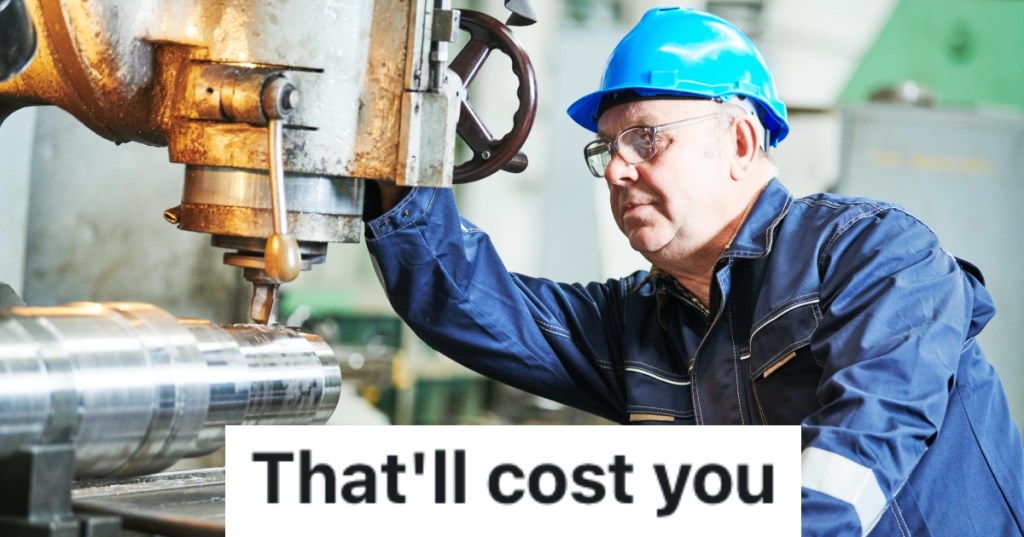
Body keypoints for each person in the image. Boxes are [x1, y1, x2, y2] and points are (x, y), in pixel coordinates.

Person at [363, 6, 1023, 536]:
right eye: (606, 149)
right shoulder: (638, 321)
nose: (617, 170)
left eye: (646, 138)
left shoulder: (877, 256)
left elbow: (850, 472)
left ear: (738, 141)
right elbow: (461, 297)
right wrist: (407, 131)